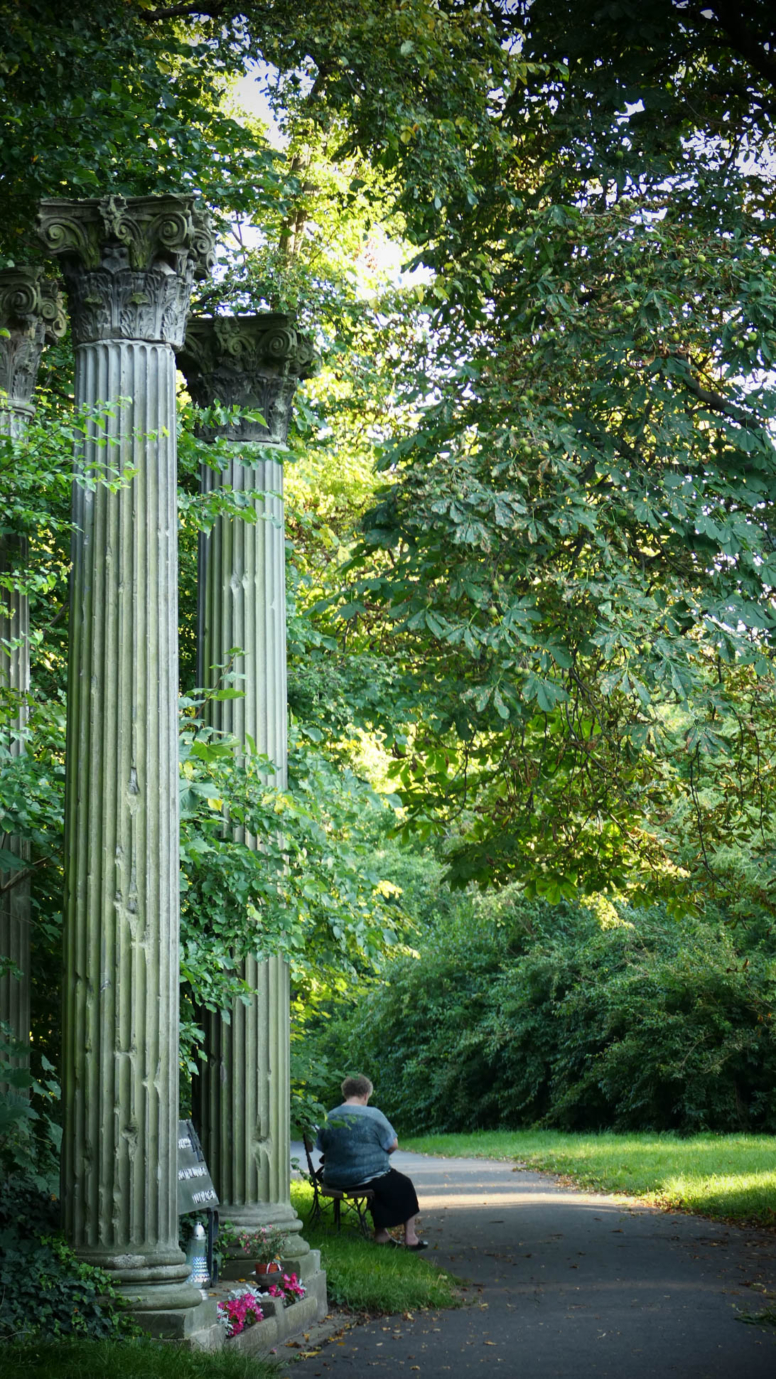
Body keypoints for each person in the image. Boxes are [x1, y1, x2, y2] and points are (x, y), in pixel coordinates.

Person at [315, 1074, 427, 1250]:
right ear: (366, 1094)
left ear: (345, 1093)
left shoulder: (329, 1117)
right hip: (366, 1177)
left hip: (334, 1179)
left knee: (381, 1182)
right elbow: (393, 1145)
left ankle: (382, 1234)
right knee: (403, 1183)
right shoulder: (373, 1115)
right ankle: (410, 1238)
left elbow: (322, 1146)